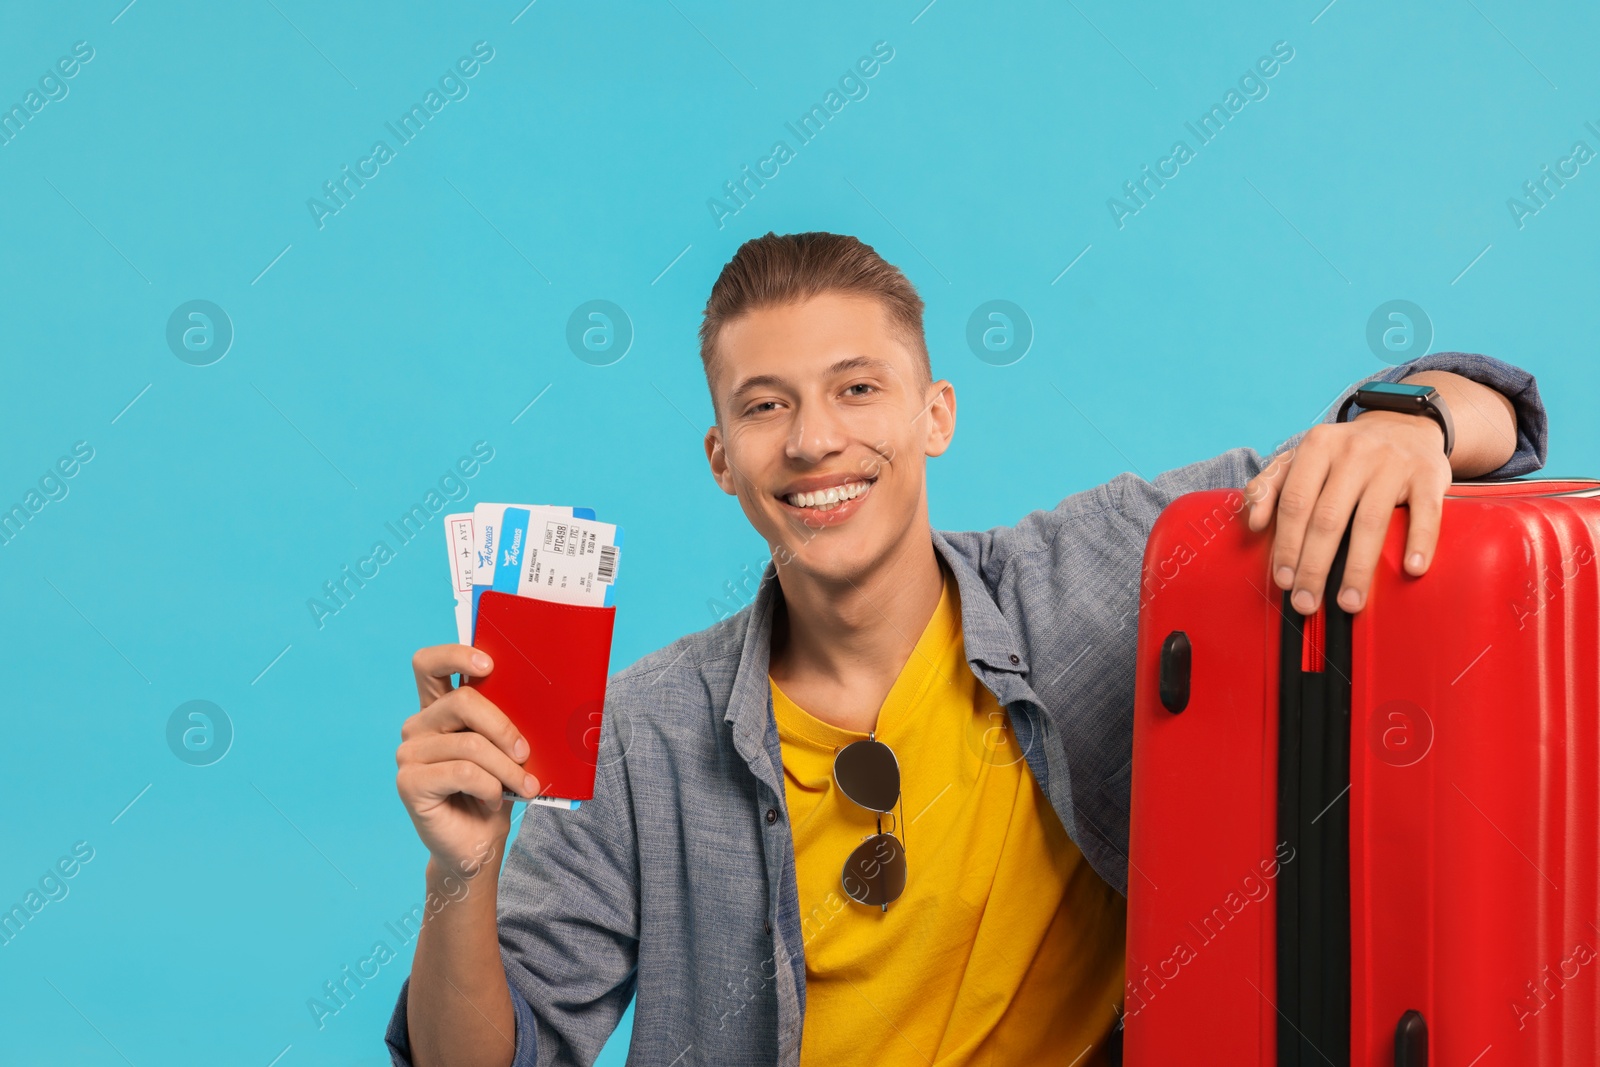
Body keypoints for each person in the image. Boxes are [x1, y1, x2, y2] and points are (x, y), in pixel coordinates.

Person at [386, 232, 1547, 1067]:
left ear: (933, 412)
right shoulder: (641, 731)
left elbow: (1491, 413)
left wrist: (1404, 418)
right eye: (765, 406)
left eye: (856, 388)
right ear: (720, 458)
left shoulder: (1100, 572)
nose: (816, 440)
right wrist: (460, 873)